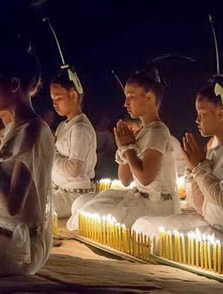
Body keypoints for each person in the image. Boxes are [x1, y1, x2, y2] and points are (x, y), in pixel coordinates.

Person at [132, 75, 223, 245]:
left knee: (153, 232)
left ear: (221, 114)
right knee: (144, 225)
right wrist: (192, 170)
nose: (197, 120)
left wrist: (199, 167)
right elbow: (202, 206)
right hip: (212, 227)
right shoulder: (216, 149)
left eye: (202, 114)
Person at [66, 63, 180, 230]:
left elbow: (146, 178)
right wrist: (124, 148)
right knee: (81, 204)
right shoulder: (143, 132)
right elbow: (125, 180)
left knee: (85, 217)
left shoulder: (158, 131)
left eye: (131, 96)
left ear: (149, 97)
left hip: (157, 205)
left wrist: (128, 149)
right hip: (140, 197)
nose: (125, 103)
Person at [0, 35, 55, 276]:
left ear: (13, 84)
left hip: (17, 248)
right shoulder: (14, 129)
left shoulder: (33, 131)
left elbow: (13, 206)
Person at [50, 71, 97, 218]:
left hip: (72, 197)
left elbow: (73, 170)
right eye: (52, 99)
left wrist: (51, 152)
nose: (54, 103)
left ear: (73, 95)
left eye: (58, 98)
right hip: (57, 192)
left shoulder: (80, 128)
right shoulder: (63, 126)